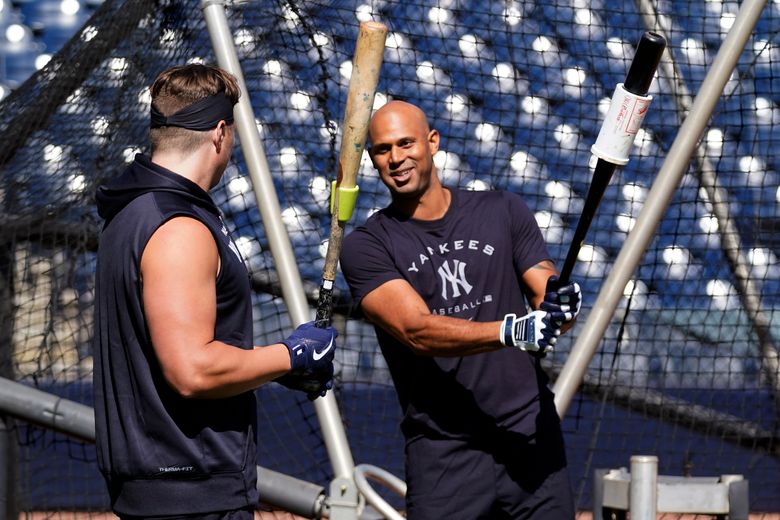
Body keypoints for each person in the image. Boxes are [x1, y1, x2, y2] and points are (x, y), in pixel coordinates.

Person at [92, 64, 336, 519]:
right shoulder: (177, 226)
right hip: (191, 492)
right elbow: (193, 370)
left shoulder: (130, 212)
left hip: (165, 489)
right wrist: (292, 355)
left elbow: (172, 346)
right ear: (220, 133)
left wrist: (267, 368)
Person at [339, 100, 582, 519]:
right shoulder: (367, 245)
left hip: (530, 438)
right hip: (444, 452)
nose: (396, 158)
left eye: (406, 143)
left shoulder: (502, 210)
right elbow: (417, 330)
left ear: (432, 143)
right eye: (382, 150)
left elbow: (545, 292)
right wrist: (509, 332)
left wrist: (562, 306)